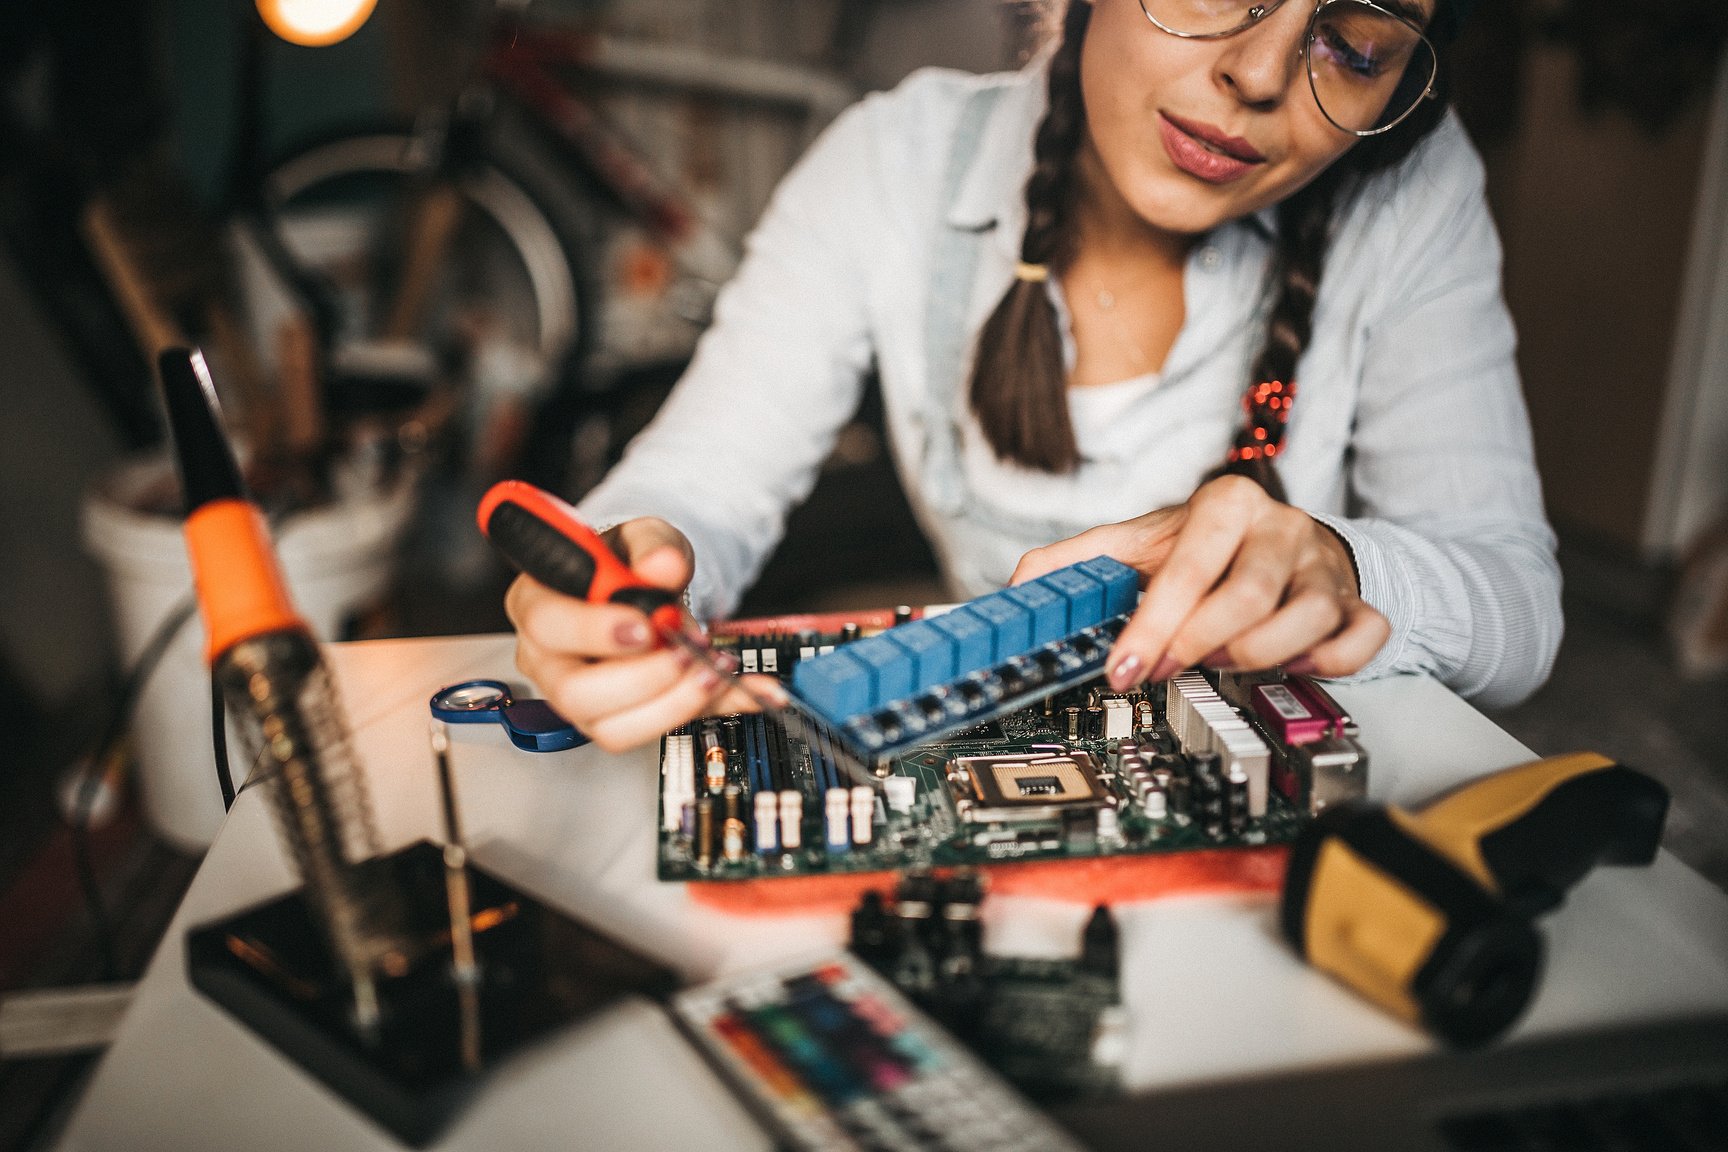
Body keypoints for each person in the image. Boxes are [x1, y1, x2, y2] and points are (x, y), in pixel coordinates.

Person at [508, 0, 1562, 752]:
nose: (1260, 75)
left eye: (1356, 44)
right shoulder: (894, 161)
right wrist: (627, 577)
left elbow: (1517, 604)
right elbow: (698, 485)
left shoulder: (1410, 192)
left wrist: (1344, 565)